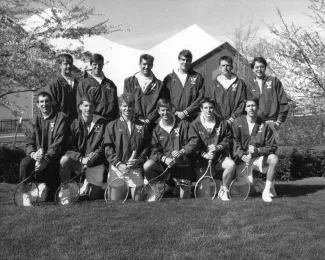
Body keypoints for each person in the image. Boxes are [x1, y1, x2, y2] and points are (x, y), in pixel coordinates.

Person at [19, 92, 68, 205]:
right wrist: (33, 154)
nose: (44, 104)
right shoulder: (33, 121)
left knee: (50, 199)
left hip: (53, 159)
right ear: (37, 104)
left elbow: (58, 142)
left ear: (51, 102)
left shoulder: (60, 117)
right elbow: (28, 142)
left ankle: (44, 188)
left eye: (47, 101)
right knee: (25, 164)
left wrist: (45, 159)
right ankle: (26, 195)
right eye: (41, 101)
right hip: (37, 158)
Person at [143, 99, 198, 199]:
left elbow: (194, 141)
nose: (165, 113)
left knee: (184, 197)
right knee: (148, 165)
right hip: (165, 166)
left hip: (182, 166)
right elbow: (153, 150)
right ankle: (157, 190)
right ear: (158, 111)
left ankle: (174, 187)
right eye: (162, 110)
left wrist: (182, 151)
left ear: (172, 109)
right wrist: (164, 159)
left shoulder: (183, 124)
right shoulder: (155, 129)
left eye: (168, 110)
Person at [59, 95, 107, 201]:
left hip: (95, 162)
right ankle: (65, 192)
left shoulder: (102, 122)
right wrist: (81, 158)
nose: (88, 108)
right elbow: (68, 147)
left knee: (93, 196)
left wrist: (96, 154)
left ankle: (87, 184)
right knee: (64, 160)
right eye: (85, 105)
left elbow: (105, 144)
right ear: (80, 107)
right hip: (80, 162)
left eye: (90, 106)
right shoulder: (74, 124)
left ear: (94, 107)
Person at [232, 97, 278, 202]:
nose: (251, 108)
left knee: (274, 158)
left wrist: (257, 151)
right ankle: (259, 187)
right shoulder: (237, 122)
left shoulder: (264, 125)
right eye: (248, 106)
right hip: (243, 160)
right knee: (245, 193)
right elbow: (234, 142)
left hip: (258, 159)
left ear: (257, 108)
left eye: (253, 105)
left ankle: (266, 190)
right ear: (245, 109)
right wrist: (242, 155)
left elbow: (273, 146)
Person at [104, 94, 149, 201]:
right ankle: (123, 188)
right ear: (120, 107)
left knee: (138, 200)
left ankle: (131, 188)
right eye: (124, 106)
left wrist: (138, 160)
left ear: (133, 107)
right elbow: (108, 149)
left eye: (130, 106)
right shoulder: (111, 125)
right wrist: (119, 164)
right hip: (117, 168)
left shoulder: (143, 125)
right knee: (115, 201)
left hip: (135, 168)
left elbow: (146, 147)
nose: (127, 109)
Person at [191, 98, 235, 201]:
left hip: (218, 158)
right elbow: (193, 144)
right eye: (205, 108)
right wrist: (203, 154)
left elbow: (228, 139)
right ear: (201, 109)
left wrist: (218, 148)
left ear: (214, 109)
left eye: (211, 107)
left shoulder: (222, 123)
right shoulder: (194, 124)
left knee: (231, 164)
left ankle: (224, 189)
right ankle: (217, 183)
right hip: (202, 161)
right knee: (204, 196)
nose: (208, 110)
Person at [248, 57, 289, 139]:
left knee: (271, 150)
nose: (259, 69)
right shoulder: (249, 85)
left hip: (272, 122)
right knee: (255, 150)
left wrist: (279, 121)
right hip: (255, 123)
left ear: (265, 68)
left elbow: (283, 102)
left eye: (261, 66)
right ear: (252, 69)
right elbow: (245, 105)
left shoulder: (274, 81)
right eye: (256, 67)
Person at [123, 54, 167, 127]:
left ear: (152, 65)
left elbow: (160, 105)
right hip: (133, 122)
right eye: (144, 64)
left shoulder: (159, 85)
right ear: (139, 64)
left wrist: (149, 119)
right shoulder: (129, 82)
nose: (146, 67)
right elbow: (126, 102)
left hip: (152, 124)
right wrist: (135, 118)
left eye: (149, 64)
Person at [162, 49, 205, 122]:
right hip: (173, 117)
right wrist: (174, 111)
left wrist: (186, 112)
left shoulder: (197, 77)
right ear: (179, 60)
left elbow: (200, 97)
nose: (185, 62)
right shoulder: (169, 78)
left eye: (187, 60)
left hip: (192, 118)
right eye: (183, 59)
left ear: (190, 61)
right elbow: (164, 98)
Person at [205, 56, 247, 126]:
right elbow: (209, 104)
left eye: (228, 65)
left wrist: (232, 118)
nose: (225, 68)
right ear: (219, 67)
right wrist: (218, 119)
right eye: (223, 65)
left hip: (235, 122)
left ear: (232, 67)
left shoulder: (240, 83)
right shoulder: (212, 85)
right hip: (217, 122)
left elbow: (242, 103)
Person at [76, 53, 119, 122]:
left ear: (103, 65)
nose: (97, 67)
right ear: (91, 65)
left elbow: (116, 107)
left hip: (109, 122)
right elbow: (79, 106)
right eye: (95, 64)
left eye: (100, 64)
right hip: (91, 122)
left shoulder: (111, 84)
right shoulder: (83, 83)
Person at [45, 53, 78, 123]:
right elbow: (49, 105)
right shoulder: (53, 83)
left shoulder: (78, 83)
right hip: (59, 123)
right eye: (66, 64)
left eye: (70, 63)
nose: (68, 66)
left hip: (75, 122)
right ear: (60, 65)